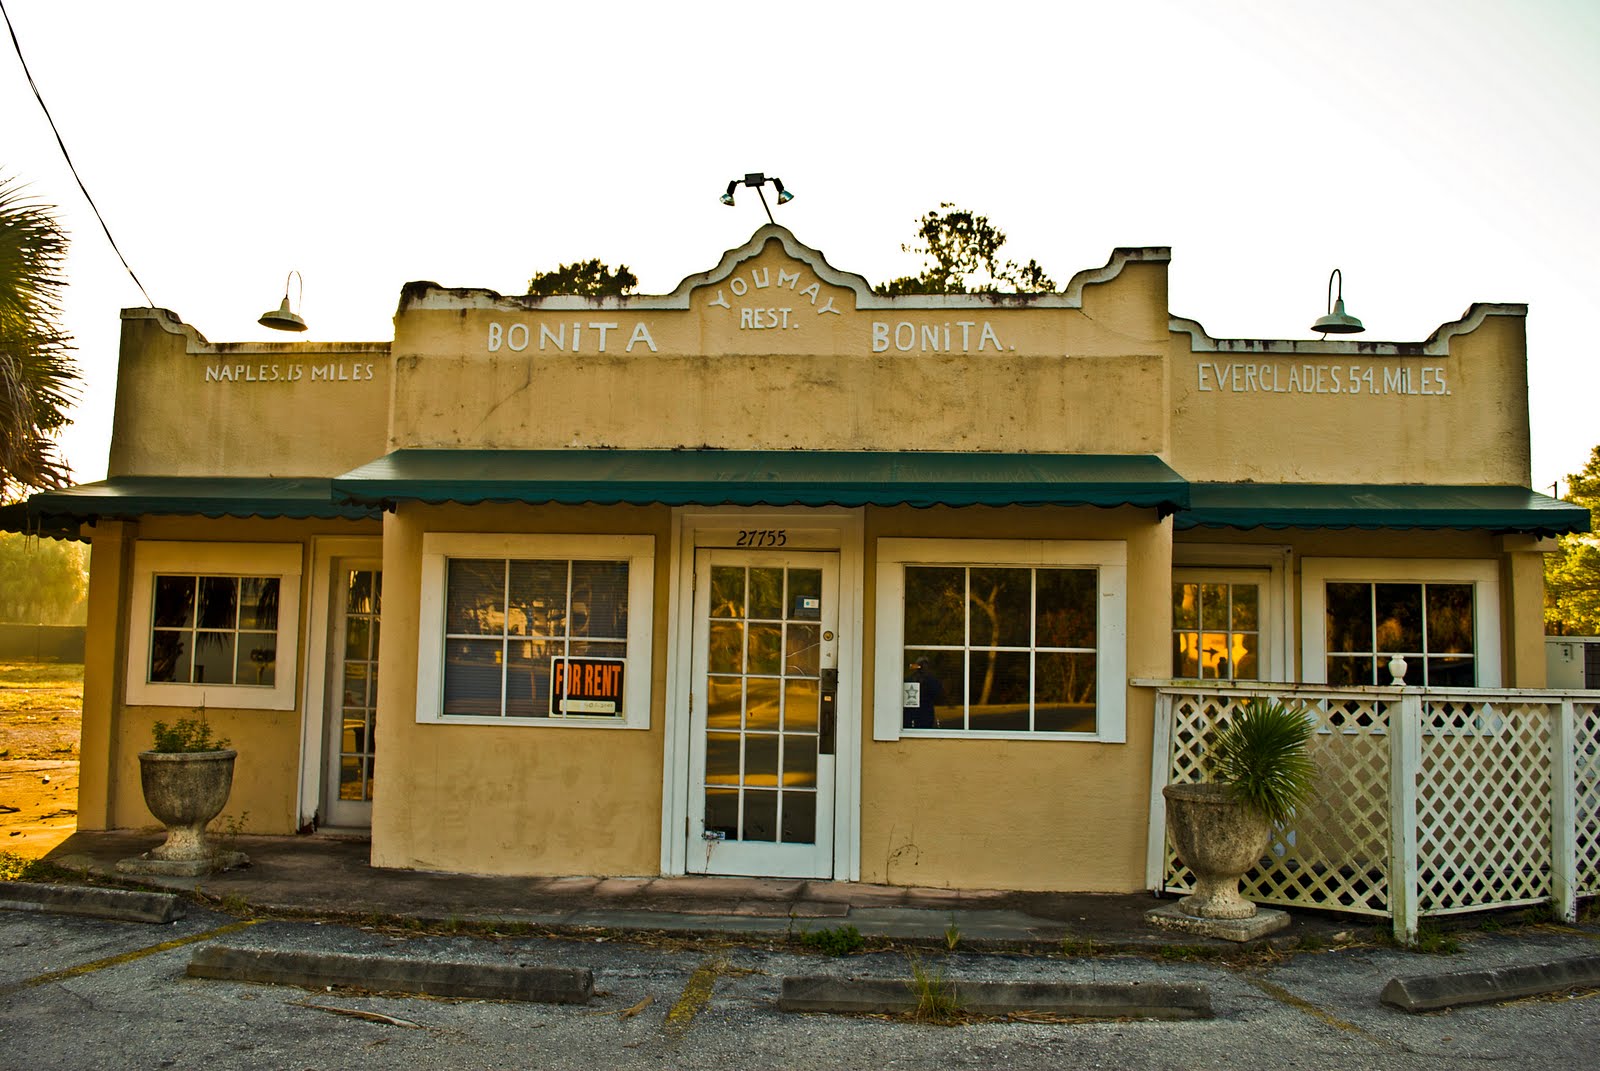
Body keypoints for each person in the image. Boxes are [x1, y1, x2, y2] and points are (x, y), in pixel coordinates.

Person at [903, 656, 943, 729]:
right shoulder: (910, 678)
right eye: (920, 665)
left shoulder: (931, 679)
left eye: (925, 665)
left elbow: (937, 693)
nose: (923, 667)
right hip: (912, 712)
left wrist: (926, 679)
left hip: (926, 712)